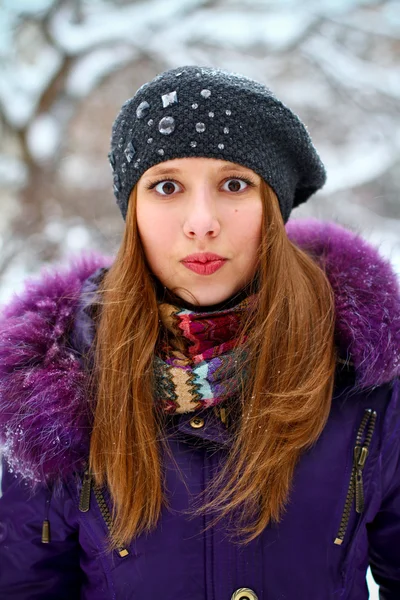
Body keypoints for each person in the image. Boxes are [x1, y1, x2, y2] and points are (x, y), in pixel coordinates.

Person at [0, 65, 399, 600]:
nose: (202, 221)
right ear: (133, 212)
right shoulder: (55, 393)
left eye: (234, 184)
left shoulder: (364, 375)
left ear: (272, 207)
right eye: (167, 187)